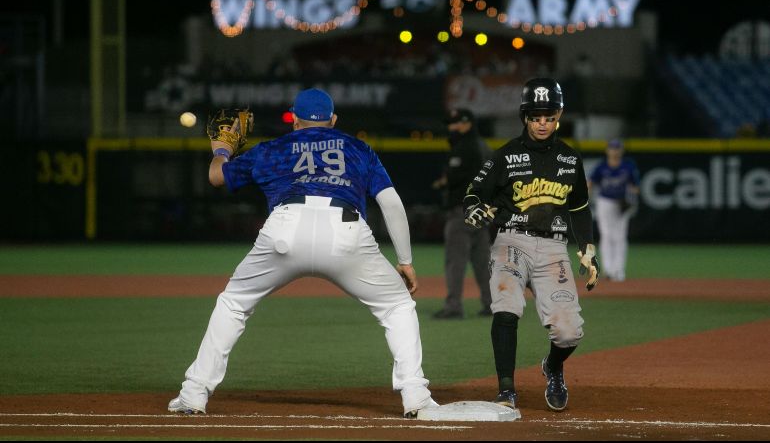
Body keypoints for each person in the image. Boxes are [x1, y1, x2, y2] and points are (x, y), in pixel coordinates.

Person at [168, 88, 438, 418]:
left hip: (285, 229)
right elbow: (391, 204)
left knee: (234, 303)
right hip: (346, 231)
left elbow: (215, 177)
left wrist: (222, 149)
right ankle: (415, 396)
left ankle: (194, 394)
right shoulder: (357, 148)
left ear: (293, 120)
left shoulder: (273, 148)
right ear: (334, 120)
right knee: (397, 306)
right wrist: (406, 261)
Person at [463, 78, 599, 412]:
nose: (543, 123)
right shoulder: (505, 156)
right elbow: (473, 193)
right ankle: (506, 390)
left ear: (559, 115)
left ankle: (553, 366)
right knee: (506, 309)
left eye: (549, 115)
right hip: (511, 242)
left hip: (554, 249)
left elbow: (580, 207)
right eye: (536, 115)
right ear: (525, 116)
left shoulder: (570, 159)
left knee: (569, 333)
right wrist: (473, 208)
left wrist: (588, 247)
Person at [431, 108, 493, 319]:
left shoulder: (465, 147)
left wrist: (444, 181)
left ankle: (454, 306)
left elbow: (456, 177)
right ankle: (492, 304)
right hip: (482, 212)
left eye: (455, 123)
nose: (451, 128)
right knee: (482, 261)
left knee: (455, 260)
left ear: (467, 124)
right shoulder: (484, 146)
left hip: (462, 211)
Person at [588, 139, 640, 282]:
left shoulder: (628, 166)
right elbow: (590, 183)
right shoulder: (602, 166)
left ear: (621, 151)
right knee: (606, 235)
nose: (615, 151)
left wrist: (631, 199)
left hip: (621, 203)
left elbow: (635, 187)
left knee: (620, 237)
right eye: (612, 148)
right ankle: (609, 270)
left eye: (617, 148)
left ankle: (619, 271)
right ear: (608, 151)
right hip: (604, 202)